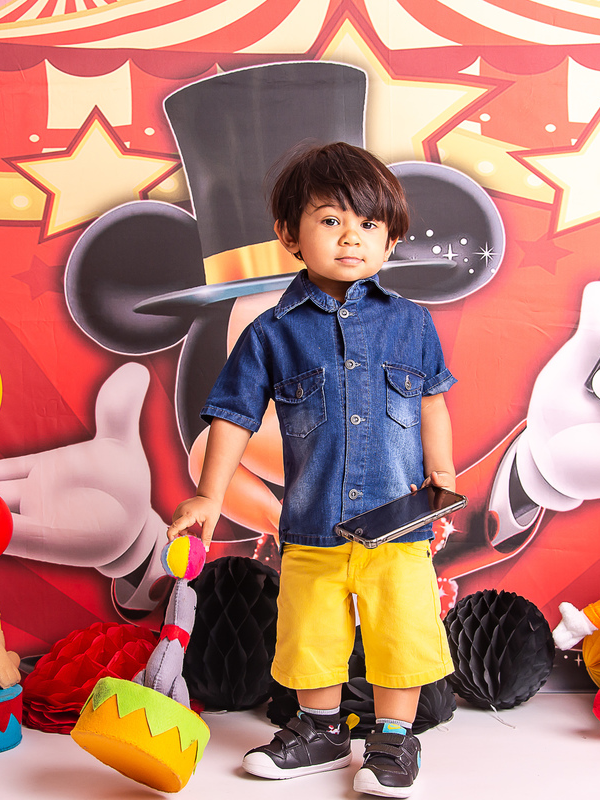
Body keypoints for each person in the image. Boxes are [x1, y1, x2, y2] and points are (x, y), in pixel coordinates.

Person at [165, 141, 457, 798]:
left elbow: (433, 402)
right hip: (312, 523)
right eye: (330, 220)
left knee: (402, 631)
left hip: (398, 525)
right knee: (311, 634)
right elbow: (233, 416)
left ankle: (394, 738)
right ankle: (321, 732)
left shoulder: (412, 324)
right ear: (289, 235)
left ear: (391, 239)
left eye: (369, 224)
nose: (351, 237)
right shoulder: (271, 332)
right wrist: (209, 496)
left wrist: (443, 475)